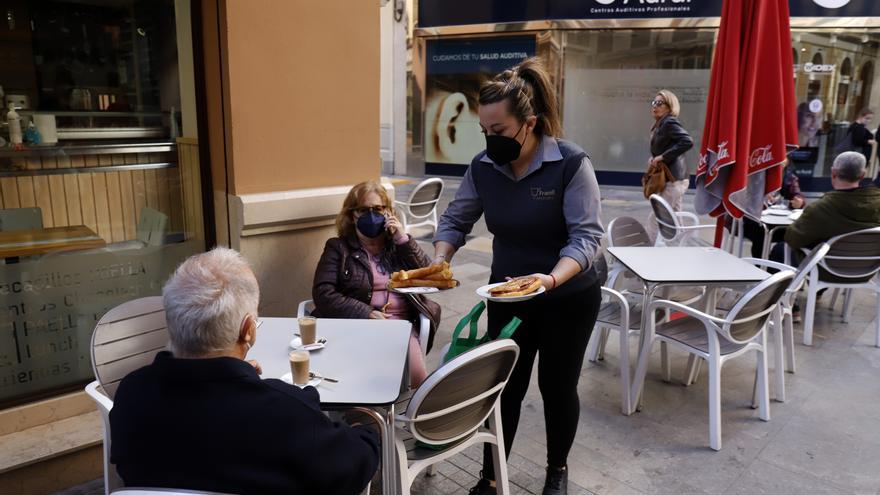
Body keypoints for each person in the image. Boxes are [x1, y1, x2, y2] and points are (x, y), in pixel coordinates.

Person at [433, 57, 604, 495]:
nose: (492, 140)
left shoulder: (569, 164)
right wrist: (442, 255)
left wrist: (547, 280)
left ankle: (557, 471)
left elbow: (586, 239)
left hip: (569, 295)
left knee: (557, 387)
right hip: (509, 297)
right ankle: (490, 477)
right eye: (485, 132)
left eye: (501, 131)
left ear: (529, 123)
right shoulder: (483, 167)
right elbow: (457, 217)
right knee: (502, 385)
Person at [110, 248, 380, 495]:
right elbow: (354, 467)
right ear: (248, 329)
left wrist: (237, 381)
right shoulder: (285, 413)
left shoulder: (132, 395)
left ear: (172, 321)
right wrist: (364, 428)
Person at [312, 180, 440, 387]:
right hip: (358, 324)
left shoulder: (398, 245)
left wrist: (403, 239)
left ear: (388, 211)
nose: (371, 215)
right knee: (360, 380)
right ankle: (360, 417)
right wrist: (366, 312)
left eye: (378, 209)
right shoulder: (338, 248)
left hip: (400, 324)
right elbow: (323, 292)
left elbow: (431, 277)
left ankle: (409, 415)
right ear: (352, 215)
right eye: (363, 210)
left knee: (417, 377)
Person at [784, 151, 880, 262]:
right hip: (866, 270)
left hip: (822, 272)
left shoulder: (821, 208)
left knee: (780, 249)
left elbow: (792, 239)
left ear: (833, 173)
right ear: (863, 175)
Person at [645, 89, 694, 242]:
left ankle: (646, 253)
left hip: (674, 180)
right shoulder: (660, 124)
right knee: (676, 218)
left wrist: (663, 157)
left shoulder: (669, 122)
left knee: (656, 217)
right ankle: (684, 248)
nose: (655, 106)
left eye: (660, 103)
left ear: (669, 106)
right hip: (674, 179)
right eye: (654, 102)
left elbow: (687, 141)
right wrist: (655, 158)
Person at [741, 161, 806, 259]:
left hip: (777, 221)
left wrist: (799, 202)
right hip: (751, 219)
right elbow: (744, 196)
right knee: (761, 233)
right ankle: (761, 264)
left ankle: (777, 262)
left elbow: (796, 194)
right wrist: (760, 197)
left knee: (791, 232)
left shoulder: (789, 177)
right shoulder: (757, 173)